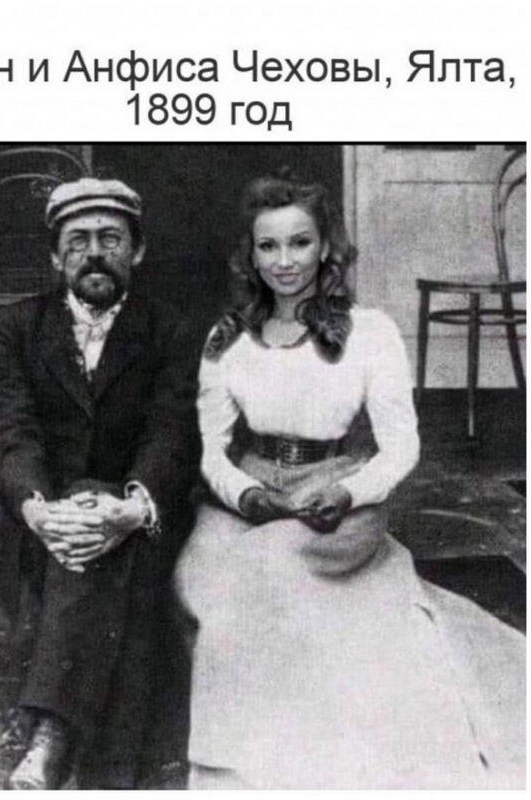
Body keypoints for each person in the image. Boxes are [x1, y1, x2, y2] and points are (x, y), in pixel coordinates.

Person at [174, 170, 525, 790]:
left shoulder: (370, 333)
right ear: (250, 255)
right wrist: (245, 494)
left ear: (325, 247)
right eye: (268, 246)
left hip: (337, 487)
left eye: (300, 243)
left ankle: (304, 759)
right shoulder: (227, 339)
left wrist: (348, 492)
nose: (285, 261)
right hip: (249, 490)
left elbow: (401, 446)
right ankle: (247, 754)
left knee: (270, 574)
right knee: (200, 583)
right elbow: (210, 448)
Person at [0, 176, 200, 789]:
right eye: (77, 241)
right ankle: (111, 772)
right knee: (87, 532)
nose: (94, 253)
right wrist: (40, 510)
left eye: (111, 238)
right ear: (56, 258)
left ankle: (52, 737)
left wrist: (133, 506)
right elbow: (8, 435)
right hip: (46, 526)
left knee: (111, 541)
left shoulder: (171, 329)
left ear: (138, 250)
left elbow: (173, 433)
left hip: (140, 519)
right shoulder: (17, 328)